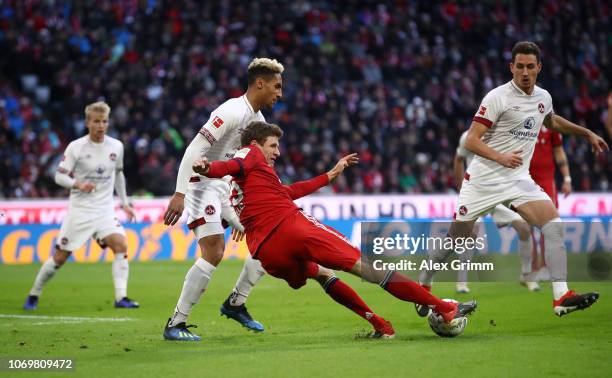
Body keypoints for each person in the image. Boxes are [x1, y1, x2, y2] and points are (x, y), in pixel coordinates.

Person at [192, 121, 477, 338]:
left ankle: (380, 325)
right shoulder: (249, 154)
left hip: (267, 253)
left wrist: (329, 176)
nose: (277, 152)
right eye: (273, 146)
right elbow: (229, 164)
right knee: (367, 268)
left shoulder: (248, 182)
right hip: (292, 228)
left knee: (323, 273)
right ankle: (444, 307)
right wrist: (207, 168)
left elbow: (288, 190)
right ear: (256, 143)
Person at [418, 41, 607, 317]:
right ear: (512, 67)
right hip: (482, 181)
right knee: (456, 241)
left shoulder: (543, 97)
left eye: (530, 66)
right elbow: (471, 140)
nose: (525, 72)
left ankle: (561, 296)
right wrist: (500, 157)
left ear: (539, 67)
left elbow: (552, 122)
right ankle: (424, 282)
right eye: (520, 66)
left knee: (553, 224)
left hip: (518, 179)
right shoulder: (497, 97)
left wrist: (586, 132)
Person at [162, 58, 283, 341]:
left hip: (228, 189)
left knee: (269, 238)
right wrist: (179, 193)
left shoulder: (259, 123)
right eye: (276, 87)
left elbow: (260, 165)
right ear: (260, 83)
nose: (280, 94)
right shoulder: (231, 110)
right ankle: (175, 324)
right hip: (202, 186)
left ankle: (236, 303)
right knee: (215, 251)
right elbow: (195, 148)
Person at [23, 101, 138, 310]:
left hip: (104, 210)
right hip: (80, 211)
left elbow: (119, 173)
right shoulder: (76, 147)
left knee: (121, 245)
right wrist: (77, 184)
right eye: (96, 121)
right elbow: (59, 175)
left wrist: (125, 203)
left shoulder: (116, 146)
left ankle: (121, 297)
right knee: (59, 257)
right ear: (87, 122)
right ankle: (34, 293)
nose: (101, 126)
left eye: (104, 121)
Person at [453, 131, 535, 293]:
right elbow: (458, 159)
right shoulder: (468, 136)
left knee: (524, 227)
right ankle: (462, 282)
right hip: (477, 194)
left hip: (499, 194)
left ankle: (526, 275)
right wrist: (460, 189)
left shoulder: (506, 135)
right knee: (471, 233)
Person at [527, 122, 572, 284]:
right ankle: (533, 269)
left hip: (546, 182)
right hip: (525, 181)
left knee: (549, 225)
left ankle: (546, 266)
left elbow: (559, 151)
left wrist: (567, 178)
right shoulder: (521, 120)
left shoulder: (551, 125)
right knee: (527, 226)